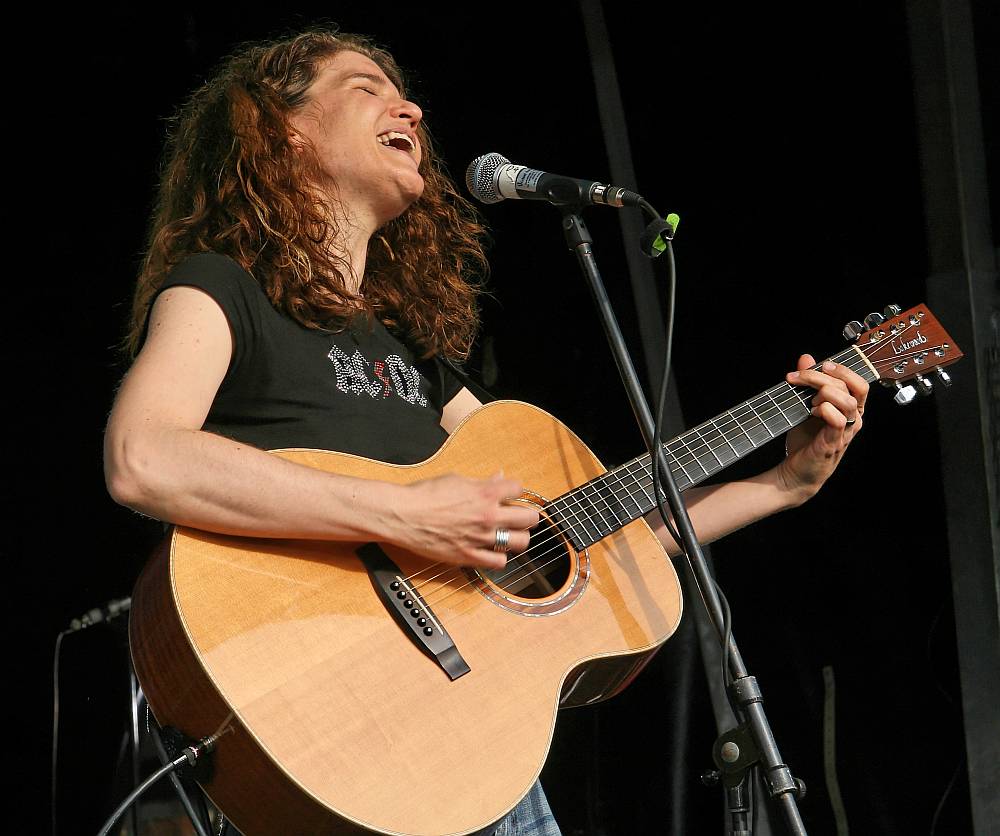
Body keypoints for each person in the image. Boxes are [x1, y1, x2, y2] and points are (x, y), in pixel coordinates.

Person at [103, 25, 868, 836]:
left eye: (405, 95)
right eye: (366, 88)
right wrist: (407, 515)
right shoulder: (222, 288)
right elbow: (143, 458)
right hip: (322, 718)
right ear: (283, 130)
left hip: (471, 746)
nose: (410, 109)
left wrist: (783, 485)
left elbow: (594, 535)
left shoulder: (413, 356)